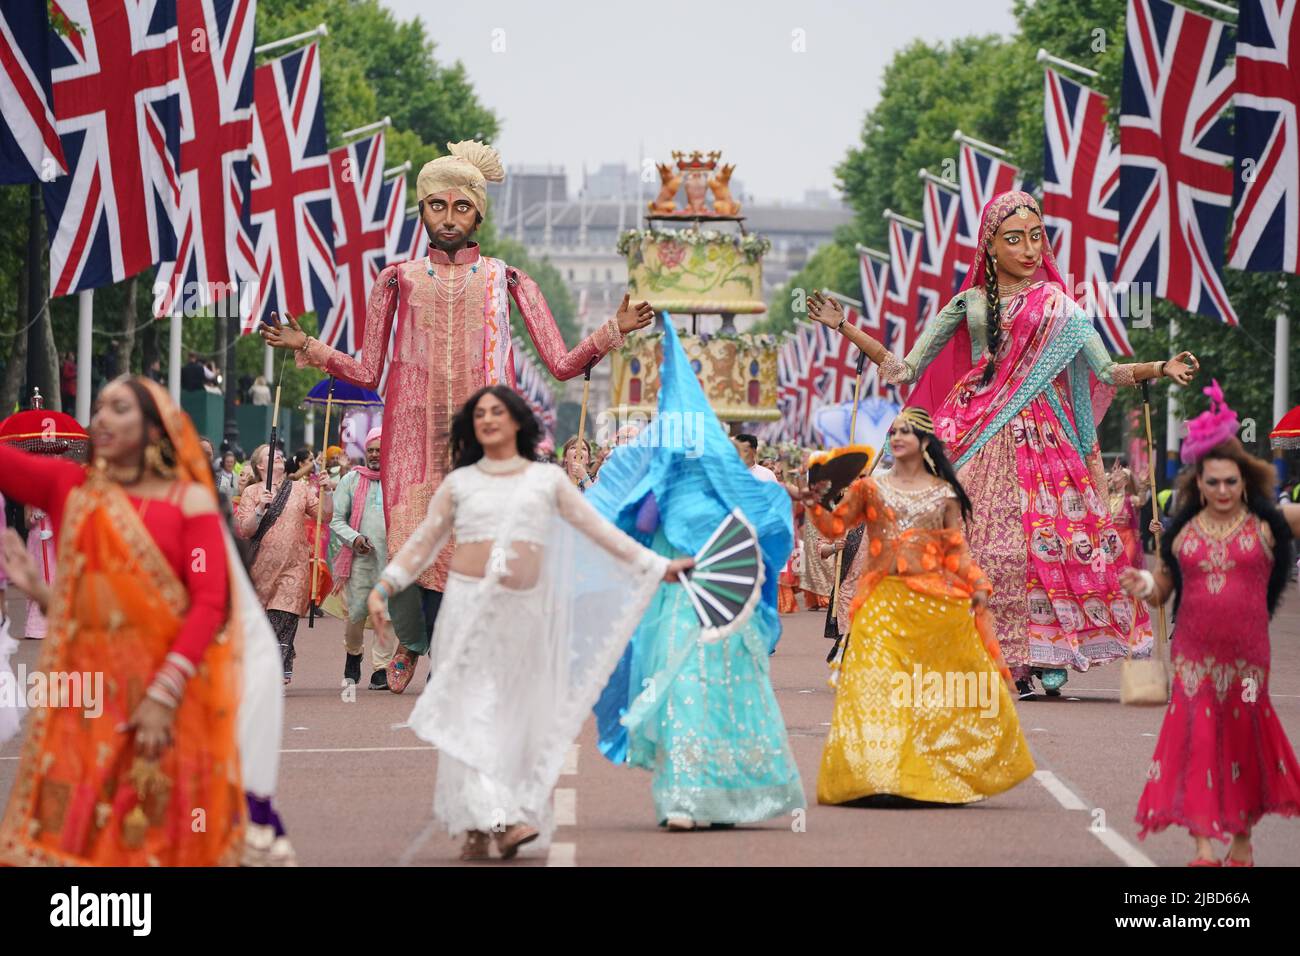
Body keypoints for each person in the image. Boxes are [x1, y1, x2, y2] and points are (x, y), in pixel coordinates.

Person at [262, 140, 655, 693]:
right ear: (421, 211)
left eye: (461, 207)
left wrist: (613, 330)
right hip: (411, 441)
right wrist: (311, 345)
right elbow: (368, 369)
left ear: (478, 214)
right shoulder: (396, 279)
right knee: (409, 546)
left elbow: (562, 364)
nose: (448, 218)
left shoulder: (508, 279)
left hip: (486, 441)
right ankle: (412, 641)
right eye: (437, 206)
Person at [809, 190, 1199, 699]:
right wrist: (846, 329)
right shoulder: (967, 304)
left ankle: (1039, 655)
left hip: (1042, 439)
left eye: (1036, 237)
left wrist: (1157, 368)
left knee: (1039, 548)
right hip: (968, 427)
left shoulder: (1061, 307)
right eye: (1014, 239)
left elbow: (1106, 370)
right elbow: (904, 368)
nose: (1029, 249)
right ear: (990, 247)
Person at [366, 386, 691, 861]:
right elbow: (422, 543)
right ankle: (504, 819)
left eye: (498, 411)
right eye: (479, 414)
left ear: (518, 421)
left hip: (527, 615)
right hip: (468, 610)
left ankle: (480, 822)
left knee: (517, 719)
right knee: (471, 712)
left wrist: (656, 566)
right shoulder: (460, 483)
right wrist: (385, 586)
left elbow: (599, 531)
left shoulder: (547, 482)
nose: (488, 419)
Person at [0, 376, 245, 865]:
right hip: (88, 697)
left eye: (119, 408)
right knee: (81, 830)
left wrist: (162, 694)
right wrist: (46, 593)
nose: (102, 419)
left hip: (168, 696)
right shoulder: (72, 489)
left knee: (156, 832)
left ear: (155, 430)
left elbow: (208, 604)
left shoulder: (188, 503)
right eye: (99, 409)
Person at [590, 320, 803, 830]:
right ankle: (684, 799)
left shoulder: (728, 482)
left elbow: (761, 522)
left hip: (728, 606)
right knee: (683, 686)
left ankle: (725, 797)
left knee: (729, 691)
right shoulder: (658, 480)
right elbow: (630, 525)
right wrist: (654, 488)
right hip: (676, 603)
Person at [800, 407, 1034, 805]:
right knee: (875, 690)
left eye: (906, 432)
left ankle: (920, 777)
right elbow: (834, 528)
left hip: (932, 608)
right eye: (893, 432)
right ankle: (875, 777)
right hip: (879, 603)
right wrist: (815, 503)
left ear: (925, 441)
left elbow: (955, 552)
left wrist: (977, 583)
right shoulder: (869, 488)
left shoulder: (944, 494)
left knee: (922, 696)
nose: (896, 437)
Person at [1121, 382, 1300, 866]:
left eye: (1231, 482)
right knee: (1198, 745)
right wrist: (1142, 584)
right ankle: (1202, 846)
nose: (1222, 491)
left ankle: (1241, 838)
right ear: (1197, 483)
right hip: (1193, 662)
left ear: (1245, 482)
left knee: (1242, 743)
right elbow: (1162, 591)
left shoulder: (1270, 526)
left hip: (1248, 667)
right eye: (1213, 482)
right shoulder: (1180, 534)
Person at [235, 443, 319, 684]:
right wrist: (261, 507)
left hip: (295, 564)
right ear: (261, 465)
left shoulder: (300, 489)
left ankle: (276, 667)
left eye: (280, 454)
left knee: (284, 614)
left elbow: (325, 514)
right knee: (264, 622)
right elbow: (245, 529)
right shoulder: (252, 492)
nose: (279, 456)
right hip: (260, 567)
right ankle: (278, 659)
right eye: (271, 455)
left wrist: (327, 492)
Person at [331, 427, 395, 690]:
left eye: (380, 450)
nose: (374, 454)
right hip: (359, 559)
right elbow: (336, 519)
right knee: (355, 615)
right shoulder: (351, 480)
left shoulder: (397, 479)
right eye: (370, 450)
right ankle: (353, 653)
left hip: (391, 558)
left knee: (387, 614)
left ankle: (381, 669)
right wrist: (355, 538)